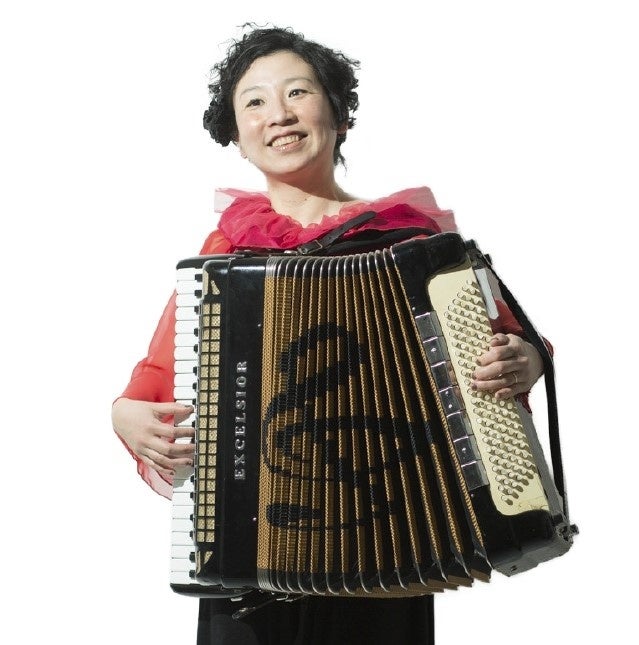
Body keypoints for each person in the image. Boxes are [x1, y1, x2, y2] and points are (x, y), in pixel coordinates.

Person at [112, 25, 545, 645]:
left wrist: (525, 360)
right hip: (249, 557)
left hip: (394, 542)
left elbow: (510, 344)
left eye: (298, 92)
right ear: (237, 138)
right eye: (254, 102)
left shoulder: (412, 242)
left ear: (338, 115)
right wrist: (125, 412)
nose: (279, 114)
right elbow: (159, 375)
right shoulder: (226, 252)